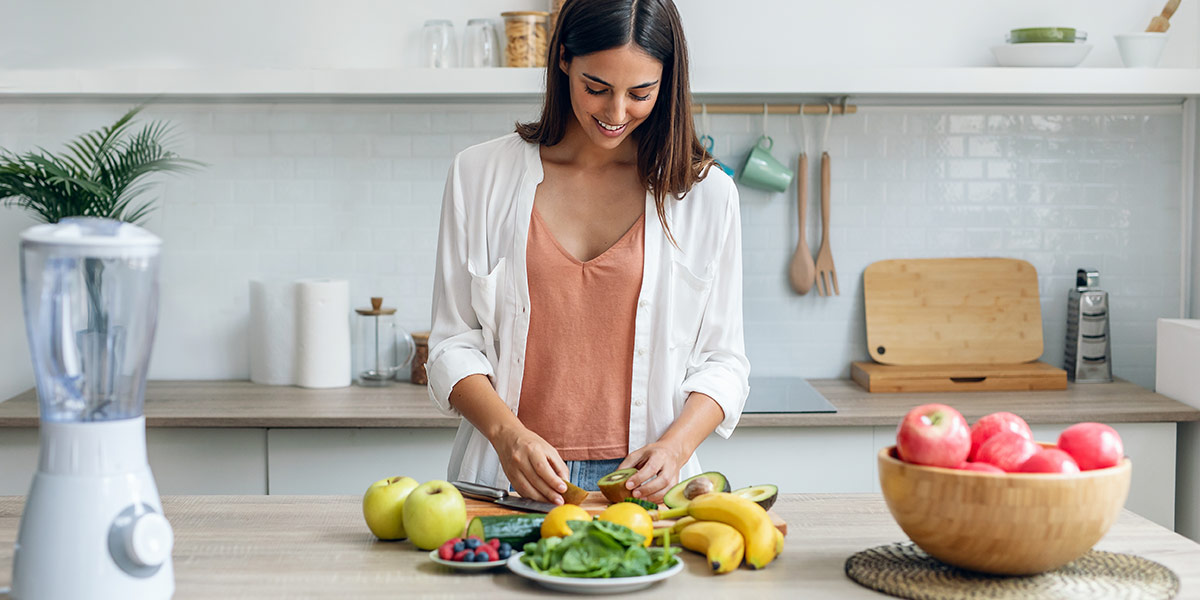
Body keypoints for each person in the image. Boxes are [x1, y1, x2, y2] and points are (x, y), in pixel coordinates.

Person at [426, 0, 749, 505]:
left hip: (643, 490)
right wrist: (507, 436)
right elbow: (452, 344)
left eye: (641, 93)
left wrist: (675, 446)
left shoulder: (705, 194)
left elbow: (724, 362)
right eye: (596, 88)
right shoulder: (479, 175)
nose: (616, 113)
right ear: (563, 62)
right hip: (506, 478)